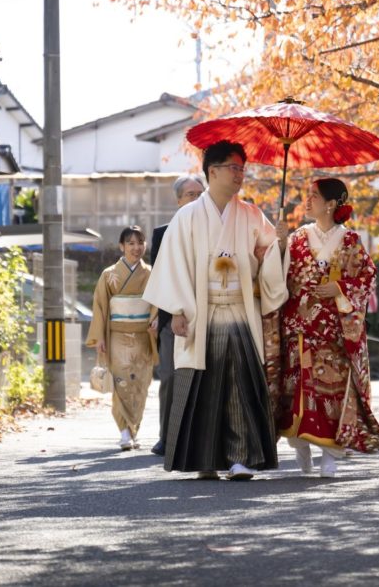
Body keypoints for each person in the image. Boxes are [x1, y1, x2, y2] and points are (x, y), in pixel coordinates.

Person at [142, 140, 287, 480]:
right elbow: (174, 265)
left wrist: (279, 244)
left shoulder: (252, 214)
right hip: (200, 312)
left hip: (239, 310)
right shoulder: (187, 216)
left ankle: (241, 457)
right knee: (202, 386)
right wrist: (177, 311)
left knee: (240, 384)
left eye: (242, 168)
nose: (240, 174)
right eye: (234, 167)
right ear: (213, 171)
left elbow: (269, 258)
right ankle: (203, 459)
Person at [275, 178, 379, 478]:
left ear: (331, 204)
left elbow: (367, 277)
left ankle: (330, 454)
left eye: (314, 196)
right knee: (299, 389)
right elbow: (280, 275)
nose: (307, 200)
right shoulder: (298, 237)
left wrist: (339, 288)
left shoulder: (350, 240)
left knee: (333, 392)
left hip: (334, 330)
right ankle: (300, 445)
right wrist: (280, 245)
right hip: (300, 327)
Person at [85, 226, 159, 450]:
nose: (136, 248)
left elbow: (158, 301)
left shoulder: (151, 273)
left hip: (143, 335)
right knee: (121, 382)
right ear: (121, 246)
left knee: (141, 383)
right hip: (117, 335)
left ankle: (134, 429)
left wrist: (156, 319)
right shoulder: (109, 274)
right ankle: (124, 431)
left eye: (140, 243)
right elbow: (100, 306)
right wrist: (99, 337)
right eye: (131, 243)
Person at [149, 174, 206, 457]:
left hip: (207, 314)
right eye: (190, 195)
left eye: (200, 194)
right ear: (178, 200)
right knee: (171, 377)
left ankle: (201, 437)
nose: (196, 199)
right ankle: (167, 437)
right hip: (173, 316)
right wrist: (171, 312)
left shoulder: (215, 230)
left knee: (203, 378)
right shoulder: (163, 233)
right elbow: (162, 278)